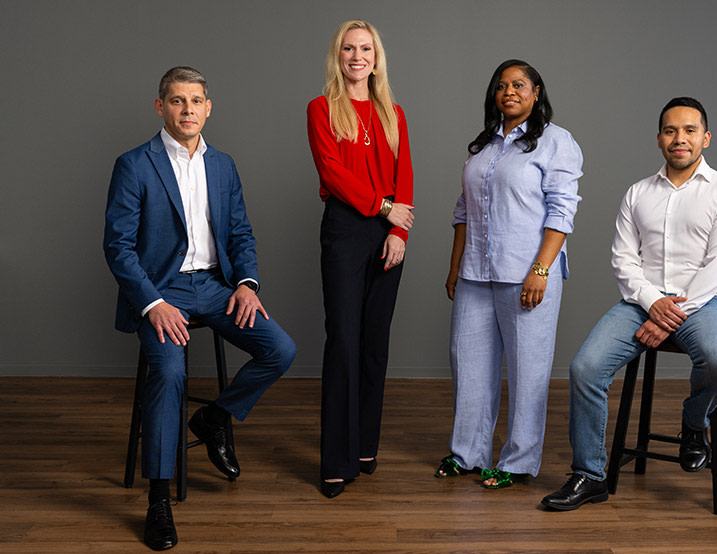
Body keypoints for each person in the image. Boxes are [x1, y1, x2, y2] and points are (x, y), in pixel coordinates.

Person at [104, 66, 297, 550]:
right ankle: (158, 500)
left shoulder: (224, 165)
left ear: (208, 108)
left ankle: (213, 418)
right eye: (176, 101)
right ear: (160, 107)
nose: (187, 110)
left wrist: (247, 284)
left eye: (195, 101)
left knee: (281, 349)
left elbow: (241, 234)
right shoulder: (134, 164)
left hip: (215, 288)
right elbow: (118, 248)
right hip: (161, 291)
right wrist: (152, 303)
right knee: (168, 374)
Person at [541, 97, 717, 511]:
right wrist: (654, 304)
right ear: (659, 139)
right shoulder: (638, 193)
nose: (680, 139)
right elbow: (623, 259)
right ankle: (589, 475)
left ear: (705, 138)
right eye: (671, 131)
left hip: (704, 303)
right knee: (584, 368)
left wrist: (671, 315)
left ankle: (694, 424)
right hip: (640, 303)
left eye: (690, 130)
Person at [436, 59, 583, 489]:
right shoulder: (481, 146)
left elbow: (562, 210)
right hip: (476, 273)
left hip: (527, 275)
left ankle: (518, 462)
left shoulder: (556, 142)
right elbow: (463, 210)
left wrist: (541, 269)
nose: (509, 92)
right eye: (501, 86)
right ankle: (467, 454)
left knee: (527, 370)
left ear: (536, 91)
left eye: (519, 84)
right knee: (468, 365)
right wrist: (454, 265)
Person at [306, 20, 414, 499]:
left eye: (365, 48)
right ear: (338, 56)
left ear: (376, 56)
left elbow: (404, 173)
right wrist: (384, 208)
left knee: (375, 342)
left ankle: (365, 448)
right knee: (344, 341)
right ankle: (336, 462)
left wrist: (397, 230)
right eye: (348, 49)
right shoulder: (321, 108)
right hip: (347, 229)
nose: (356, 56)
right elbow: (332, 171)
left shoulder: (394, 113)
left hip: (388, 234)